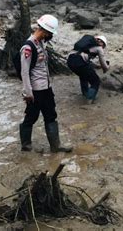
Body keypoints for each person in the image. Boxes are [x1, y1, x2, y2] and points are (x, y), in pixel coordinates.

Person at [18, 14, 72, 153]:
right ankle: (26, 145)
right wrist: (28, 93)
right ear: (44, 31)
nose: (50, 36)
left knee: (51, 115)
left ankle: (56, 146)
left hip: (46, 88)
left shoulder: (41, 43)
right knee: (31, 117)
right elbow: (25, 72)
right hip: (35, 91)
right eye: (50, 33)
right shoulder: (28, 48)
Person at [67, 35, 110, 103]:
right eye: (103, 45)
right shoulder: (99, 48)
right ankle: (89, 99)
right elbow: (104, 65)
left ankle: (85, 93)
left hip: (70, 61)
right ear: (103, 44)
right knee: (96, 81)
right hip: (80, 62)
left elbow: (86, 60)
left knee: (83, 75)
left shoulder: (86, 45)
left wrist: (97, 66)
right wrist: (106, 68)